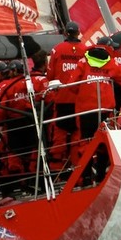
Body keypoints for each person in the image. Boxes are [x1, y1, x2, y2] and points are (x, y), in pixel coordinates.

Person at [45, 21, 85, 161]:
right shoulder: (86, 50)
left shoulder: (57, 50)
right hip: (80, 100)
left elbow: (50, 76)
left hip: (62, 98)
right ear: (78, 32)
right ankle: (77, 168)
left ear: (65, 33)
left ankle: (58, 169)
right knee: (77, 134)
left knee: (60, 133)